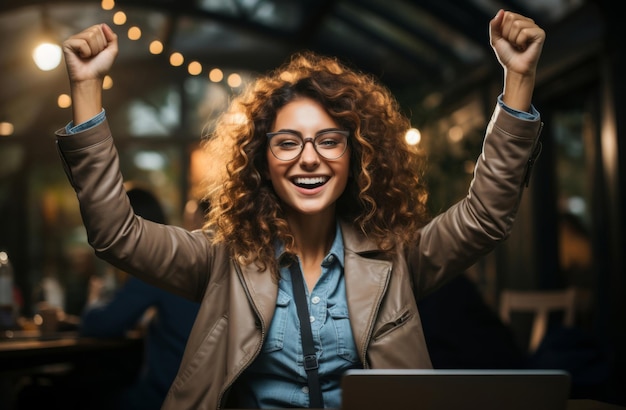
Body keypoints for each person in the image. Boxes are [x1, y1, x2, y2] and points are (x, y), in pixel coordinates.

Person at [56, 9, 545, 409]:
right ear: (261, 161)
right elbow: (114, 233)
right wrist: (85, 89)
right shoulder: (219, 261)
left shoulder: (398, 259)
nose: (309, 157)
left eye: (329, 141)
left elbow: (485, 215)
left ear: (354, 158)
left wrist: (518, 80)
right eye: (287, 142)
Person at [79, 186, 200, 410]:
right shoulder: (233, 265)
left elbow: (100, 325)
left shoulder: (161, 262)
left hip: (165, 398)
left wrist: (94, 299)